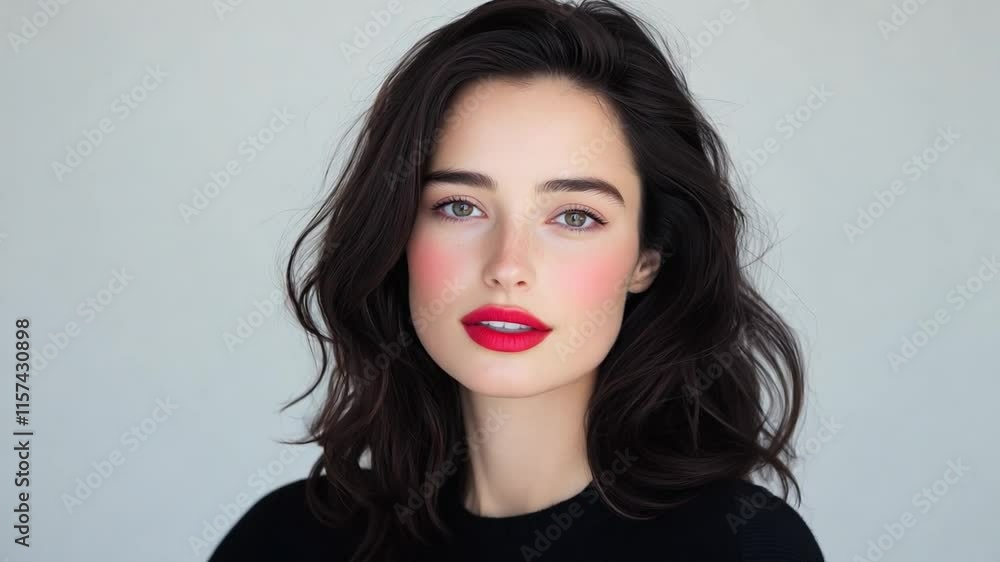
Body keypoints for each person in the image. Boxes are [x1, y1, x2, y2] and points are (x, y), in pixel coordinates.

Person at [209, 0, 826, 560]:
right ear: (398, 233)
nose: (507, 266)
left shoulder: (740, 547)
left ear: (647, 260)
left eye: (575, 216)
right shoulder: (285, 541)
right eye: (459, 206)